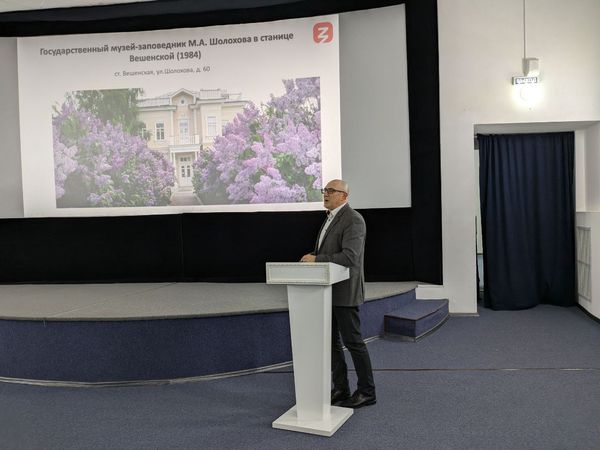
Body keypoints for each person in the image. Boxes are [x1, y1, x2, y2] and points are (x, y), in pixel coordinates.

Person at [300, 179, 376, 408]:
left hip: (344, 291)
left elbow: (350, 257)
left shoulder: (353, 219)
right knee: (331, 342)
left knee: (353, 342)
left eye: (331, 191)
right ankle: (341, 388)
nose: (326, 193)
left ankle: (367, 392)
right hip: (327, 290)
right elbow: (329, 251)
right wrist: (314, 256)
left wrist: (317, 259)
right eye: (325, 190)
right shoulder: (330, 218)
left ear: (344, 196)